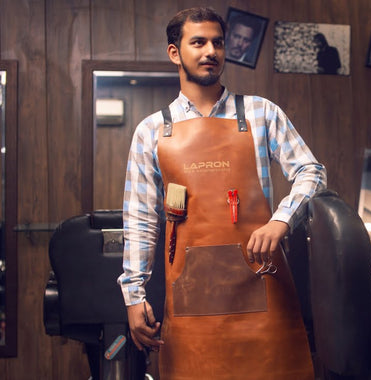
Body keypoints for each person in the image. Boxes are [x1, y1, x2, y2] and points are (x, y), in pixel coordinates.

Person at [117, 7, 326, 379]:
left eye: (217, 42)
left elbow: (311, 172)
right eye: (198, 42)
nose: (210, 50)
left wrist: (281, 221)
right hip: (189, 302)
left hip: (263, 288)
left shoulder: (261, 113)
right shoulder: (151, 131)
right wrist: (134, 295)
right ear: (175, 53)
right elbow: (140, 221)